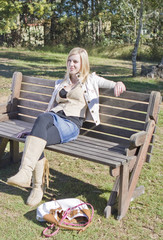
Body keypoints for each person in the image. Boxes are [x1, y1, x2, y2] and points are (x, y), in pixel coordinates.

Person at [7, 47, 126, 207]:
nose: (71, 64)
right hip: (54, 119)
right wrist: (35, 130)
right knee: (36, 136)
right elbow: (50, 110)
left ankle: (28, 176)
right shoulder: (61, 83)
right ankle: (36, 187)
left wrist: (118, 83)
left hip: (71, 124)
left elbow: (112, 84)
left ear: (82, 63)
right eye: (69, 60)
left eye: (75, 61)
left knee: (38, 129)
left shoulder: (90, 80)